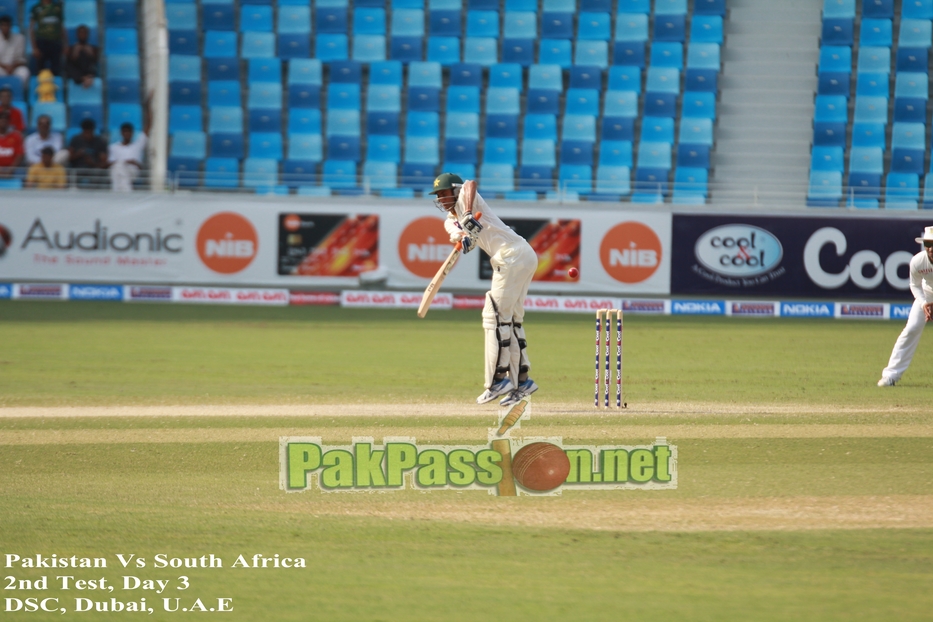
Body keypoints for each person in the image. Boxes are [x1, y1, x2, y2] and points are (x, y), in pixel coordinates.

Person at [428, 172, 539, 406]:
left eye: (443, 193)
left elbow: (470, 184)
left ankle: (498, 380)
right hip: (521, 255)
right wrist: (465, 238)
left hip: (512, 255)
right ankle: (522, 382)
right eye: (437, 195)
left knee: (494, 317)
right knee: (511, 320)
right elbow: (460, 237)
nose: (441, 199)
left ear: (454, 191)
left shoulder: (466, 198)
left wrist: (468, 213)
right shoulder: (449, 220)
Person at [878, 226, 933, 386]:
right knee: (912, 328)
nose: (931, 248)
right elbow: (914, 285)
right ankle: (890, 376)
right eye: (928, 244)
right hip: (928, 293)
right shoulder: (918, 261)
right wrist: (924, 304)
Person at [107, 94, 151, 191]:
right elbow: (110, 163)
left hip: (132, 171)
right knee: (118, 168)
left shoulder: (137, 144)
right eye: (125, 132)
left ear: (132, 133)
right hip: (118, 170)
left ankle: (116, 194)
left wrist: (147, 106)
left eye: (129, 132)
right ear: (121, 133)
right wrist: (125, 161)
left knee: (119, 169)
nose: (127, 134)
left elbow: (149, 125)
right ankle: (126, 192)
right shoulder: (113, 147)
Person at [29, 0, 67, 77]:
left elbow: (62, 27)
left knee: (56, 70)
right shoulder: (36, 8)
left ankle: (56, 87)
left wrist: (65, 44)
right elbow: (31, 29)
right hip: (42, 42)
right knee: (41, 70)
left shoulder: (57, 7)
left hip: (56, 41)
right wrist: (34, 47)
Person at [68, 117, 107, 187]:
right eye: (86, 132)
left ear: (93, 130)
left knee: (97, 172)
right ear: (82, 131)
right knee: (72, 173)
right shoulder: (75, 140)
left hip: (93, 168)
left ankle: (95, 195)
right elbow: (69, 158)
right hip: (78, 167)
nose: (88, 135)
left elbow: (103, 163)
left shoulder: (100, 142)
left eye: (90, 132)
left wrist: (92, 163)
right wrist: (78, 154)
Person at [0, 14, 29, 87]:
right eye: (3, 25)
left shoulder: (20, 38)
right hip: (1, 67)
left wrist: (12, 66)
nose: (5, 28)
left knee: (24, 72)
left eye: (7, 25)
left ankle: (18, 93)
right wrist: (5, 67)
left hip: (15, 67)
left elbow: (22, 60)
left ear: (10, 26)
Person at [0, 108, 23, 178]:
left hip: (12, 171)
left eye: (6, 119)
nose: (3, 121)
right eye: (1, 119)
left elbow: (19, 155)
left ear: (9, 121)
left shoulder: (16, 136)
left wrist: (10, 170)